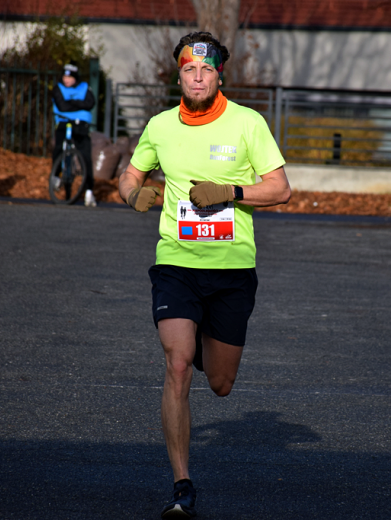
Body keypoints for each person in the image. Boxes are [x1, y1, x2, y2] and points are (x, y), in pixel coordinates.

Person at [118, 32, 291, 519]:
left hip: (232, 270)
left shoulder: (247, 123)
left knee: (220, 382)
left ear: (219, 75)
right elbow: (130, 175)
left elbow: (281, 188)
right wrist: (133, 195)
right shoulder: (160, 126)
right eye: (189, 70)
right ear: (178, 75)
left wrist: (229, 192)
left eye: (206, 70)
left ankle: (199, 342)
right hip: (176, 263)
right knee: (177, 364)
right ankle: (182, 485)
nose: (197, 77)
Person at [52, 63, 97, 206]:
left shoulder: (84, 87)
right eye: (64, 77)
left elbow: (90, 103)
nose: (66, 80)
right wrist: (79, 104)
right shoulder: (57, 88)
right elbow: (62, 106)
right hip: (63, 123)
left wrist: (71, 102)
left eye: (70, 78)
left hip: (81, 125)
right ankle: (56, 176)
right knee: (58, 149)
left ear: (75, 78)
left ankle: (89, 190)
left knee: (85, 155)